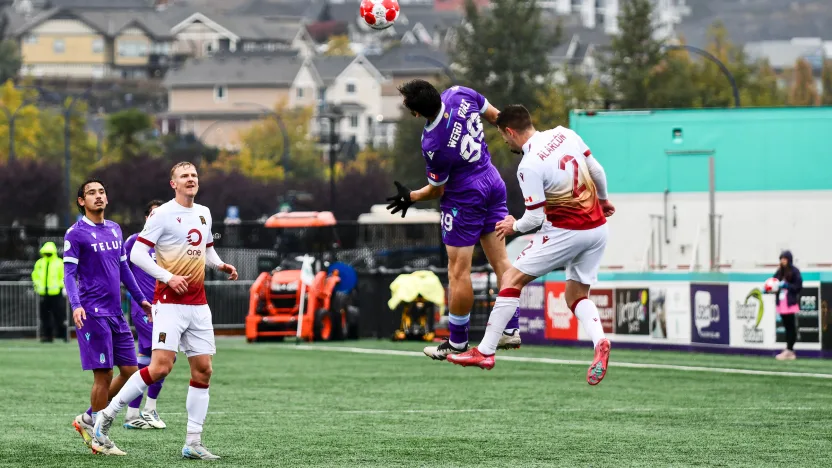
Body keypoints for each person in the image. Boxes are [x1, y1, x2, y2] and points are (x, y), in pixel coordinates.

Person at [447, 105, 615, 386]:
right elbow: (596, 169)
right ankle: (600, 341)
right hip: (597, 229)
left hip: (566, 232)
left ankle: (485, 352)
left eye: (504, 137)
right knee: (575, 296)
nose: (506, 142)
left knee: (511, 278)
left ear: (510, 131)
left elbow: (535, 218)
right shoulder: (565, 134)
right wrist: (605, 199)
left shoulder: (529, 165)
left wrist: (513, 225)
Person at [92, 162, 238, 460]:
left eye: (194, 175)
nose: (190, 180)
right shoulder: (163, 214)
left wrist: (220, 265)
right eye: (184, 176)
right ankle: (106, 416)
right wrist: (167, 276)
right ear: (173, 183)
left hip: (198, 305)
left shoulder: (204, 213)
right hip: (169, 304)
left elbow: (206, 249)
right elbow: (135, 253)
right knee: (160, 368)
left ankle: (193, 443)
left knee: (204, 370)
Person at [386, 79, 521, 360]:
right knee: (502, 262)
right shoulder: (460, 93)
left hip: (465, 198)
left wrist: (410, 197)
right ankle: (511, 327)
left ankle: (457, 341)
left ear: (416, 113)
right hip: (492, 181)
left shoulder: (432, 142)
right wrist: (520, 144)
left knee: (459, 271)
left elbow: (438, 190)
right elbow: (498, 117)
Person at [64, 179, 152, 455]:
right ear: (82, 201)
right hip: (92, 314)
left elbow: (125, 270)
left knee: (130, 371)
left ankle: (90, 418)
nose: (98, 196)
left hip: (116, 313)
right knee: (104, 375)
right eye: (91, 193)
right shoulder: (75, 234)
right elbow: (69, 274)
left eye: (101, 192)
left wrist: (142, 300)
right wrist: (76, 305)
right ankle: (100, 437)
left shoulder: (115, 229)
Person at [122, 199, 167, 429]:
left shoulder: (168, 244)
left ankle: (135, 413)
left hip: (166, 309)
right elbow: (122, 269)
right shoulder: (134, 242)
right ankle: (147, 409)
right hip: (145, 310)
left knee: (148, 359)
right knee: (165, 357)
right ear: (147, 218)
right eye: (154, 214)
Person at [32, 241, 66, 342]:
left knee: (59, 314)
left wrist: (64, 287)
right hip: (43, 293)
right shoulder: (40, 263)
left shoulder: (59, 263)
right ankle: (47, 336)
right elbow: (35, 275)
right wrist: (37, 286)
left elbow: (64, 276)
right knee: (44, 316)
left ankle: (63, 334)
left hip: (56, 293)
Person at [774, 250, 802, 360]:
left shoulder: (795, 271)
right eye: (781, 259)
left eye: (785, 259)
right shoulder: (779, 271)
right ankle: (789, 349)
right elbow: (774, 281)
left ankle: (790, 350)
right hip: (781, 303)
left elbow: (798, 286)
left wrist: (786, 285)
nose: (783, 261)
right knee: (786, 326)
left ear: (789, 260)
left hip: (789, 303)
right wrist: (768, 288)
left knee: (791, 327)